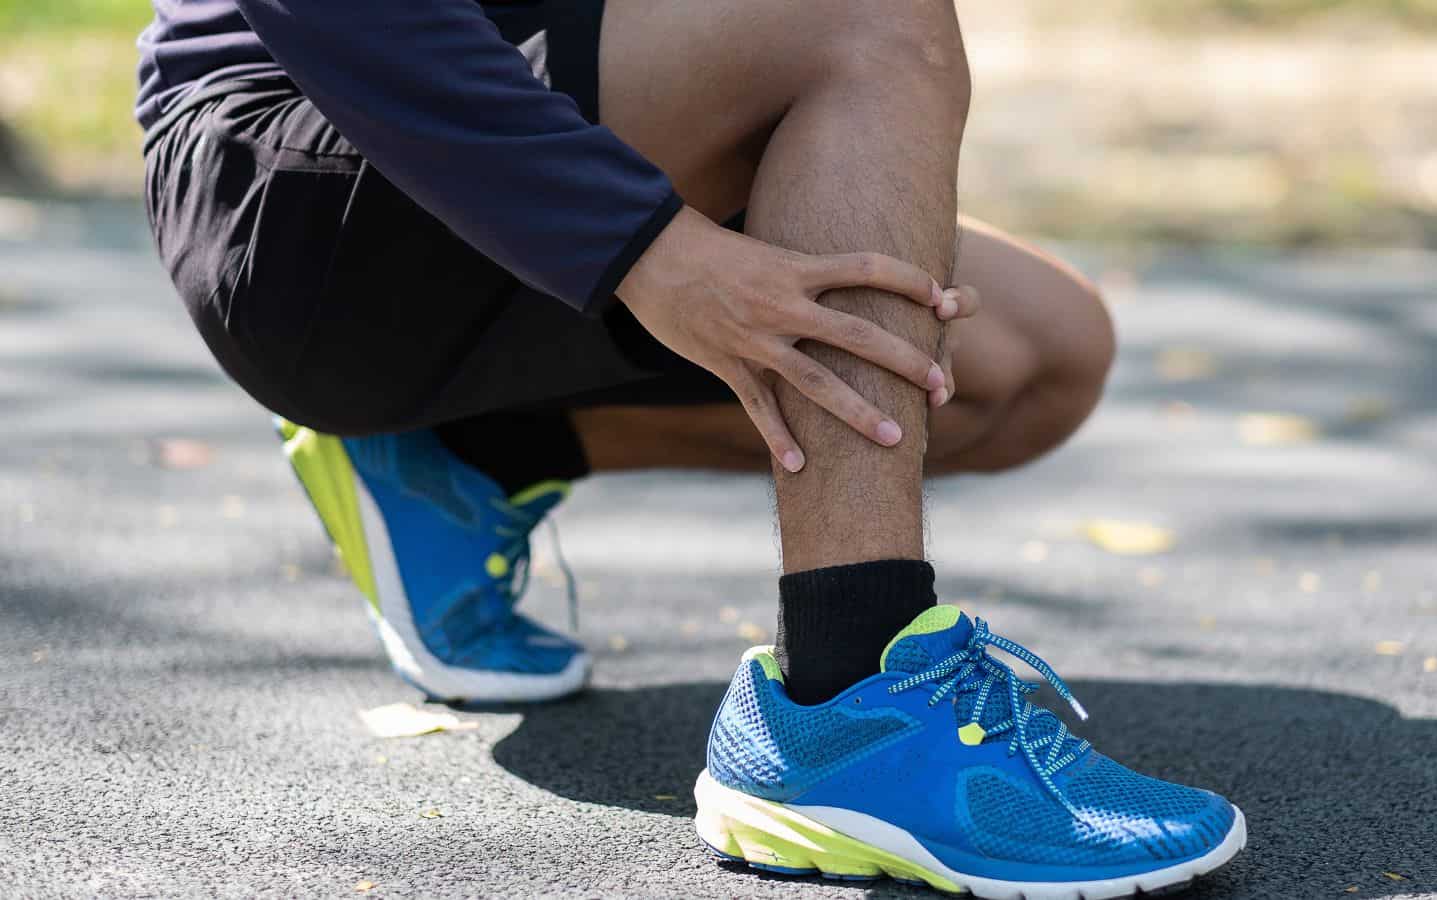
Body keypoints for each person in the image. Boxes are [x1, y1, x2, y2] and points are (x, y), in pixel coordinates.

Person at [137, 0, 1246, 894]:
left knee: (1033, 354)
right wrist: (648, 249)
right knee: (863, 13)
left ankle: (472, 451)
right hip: (302, 168)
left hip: (534, 129)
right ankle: (850, 694)